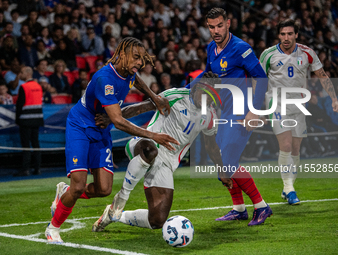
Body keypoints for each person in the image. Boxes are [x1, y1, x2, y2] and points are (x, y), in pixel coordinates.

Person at [45, 37, 179, 243]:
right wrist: (154, 136)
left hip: (100, 130)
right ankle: (53, 228)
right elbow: (118, 121)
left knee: (104, 190)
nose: (139, 64)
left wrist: (155, 96)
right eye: (135, 58)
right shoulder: (104, 79)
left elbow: (138, 82)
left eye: (141, 60)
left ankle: (65, 192)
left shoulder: (129, 73)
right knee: (79, 185)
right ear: (122, 54)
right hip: (80, 127)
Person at [92, 72, 234, 232]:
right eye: (206, 94)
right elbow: (141, 108)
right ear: (197, 88)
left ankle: (114, 215)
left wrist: (222, 170)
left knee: (157, 220)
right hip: (145, 144)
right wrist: (111, 118)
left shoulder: (209, 116)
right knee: (151, 151)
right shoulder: (175, 96)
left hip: (167, 163)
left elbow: (212, 146)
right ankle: (121, 199)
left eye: (212, 98)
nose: (208, 100)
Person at [185, 7, 271, 225]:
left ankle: (261, 206)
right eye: (212, 27)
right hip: (223, 112)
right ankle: (239, 208)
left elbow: (261, 78)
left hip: (241, 111)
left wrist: (254, 110)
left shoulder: (241, 48)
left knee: (229, 163)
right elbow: (207, 75)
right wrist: (185, 90)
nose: (216, 30)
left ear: (228, 23)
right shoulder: (211, 48)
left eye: (219, 25)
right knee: (221, 163)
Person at [260, 19, 338, 205]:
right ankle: (289, 189)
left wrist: (334, 99)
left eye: (289, 34)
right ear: (278, 36)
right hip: (277, 104)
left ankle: (287, 186)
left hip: (299, 106)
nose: (286, 38)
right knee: (286, 144)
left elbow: (322, 75)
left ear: (296, 34)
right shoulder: (268, 54)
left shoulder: (307, 53)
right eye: (282, 34)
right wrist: (257, 108)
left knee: (296, 149)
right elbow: (258, 80)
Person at [14, 66, 44, 176]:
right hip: (37, 119)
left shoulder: (24, 86)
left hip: (26, 120)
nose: (20, 74)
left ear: (27, 74)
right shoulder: (38, 86)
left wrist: (17, 120)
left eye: (21, 72)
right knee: (36, 143)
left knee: (26, 145)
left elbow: (19, 105)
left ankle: (25, 169)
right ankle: (37, 168)